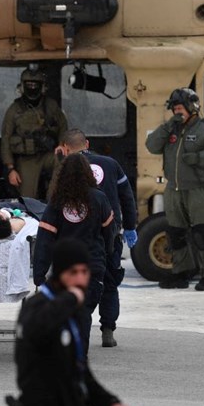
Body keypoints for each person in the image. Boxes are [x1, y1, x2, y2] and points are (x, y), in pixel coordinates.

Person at [13, 237, 132, 406]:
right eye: (73, 273)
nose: (80, 280)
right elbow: (36, 330)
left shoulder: (71, 311)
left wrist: (110, 404)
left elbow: (81, 374)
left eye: (84, 272)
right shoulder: (39, 307)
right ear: (59, 275)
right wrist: (70, 300)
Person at [56, 129, 138, 348]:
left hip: (77, 235)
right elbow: (127, 196)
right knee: (110, 282)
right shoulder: (110, 164)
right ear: (87, 143)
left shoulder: (65, 169)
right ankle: (108, 330)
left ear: (65, 148)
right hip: (110, 231)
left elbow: (55, 201)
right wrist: (130, 226)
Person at [144, 87, 204, 291]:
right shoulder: (170, 129)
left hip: (197, 189)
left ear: (192, 108)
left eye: (180, 108)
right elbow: (152, 146)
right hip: (174, 189)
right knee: (176, 233)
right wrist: (167, 126)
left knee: (201, 233)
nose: (177, 112)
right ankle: (180, 274)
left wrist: (199, 159)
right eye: (174, 109)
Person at [32, 153, 113, 355]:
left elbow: (45, 239)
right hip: (92, 267)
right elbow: (109, 234)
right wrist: (108, 256)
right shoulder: (99, 198)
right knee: (83, 312)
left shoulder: (56, 202)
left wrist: (39, 273)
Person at [2, 68, 67, 200]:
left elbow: (63, 126)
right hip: (27, 159)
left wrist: (61, 145)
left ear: (42, 87)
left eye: (35, 85)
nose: (32, 87)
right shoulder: (14, 109)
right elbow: (6, 139)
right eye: (29, 85)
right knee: (28, 198)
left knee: (64, 163)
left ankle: (58, 201)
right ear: (22, 86)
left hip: (48, 154)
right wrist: (10, 169)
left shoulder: (51, 106)